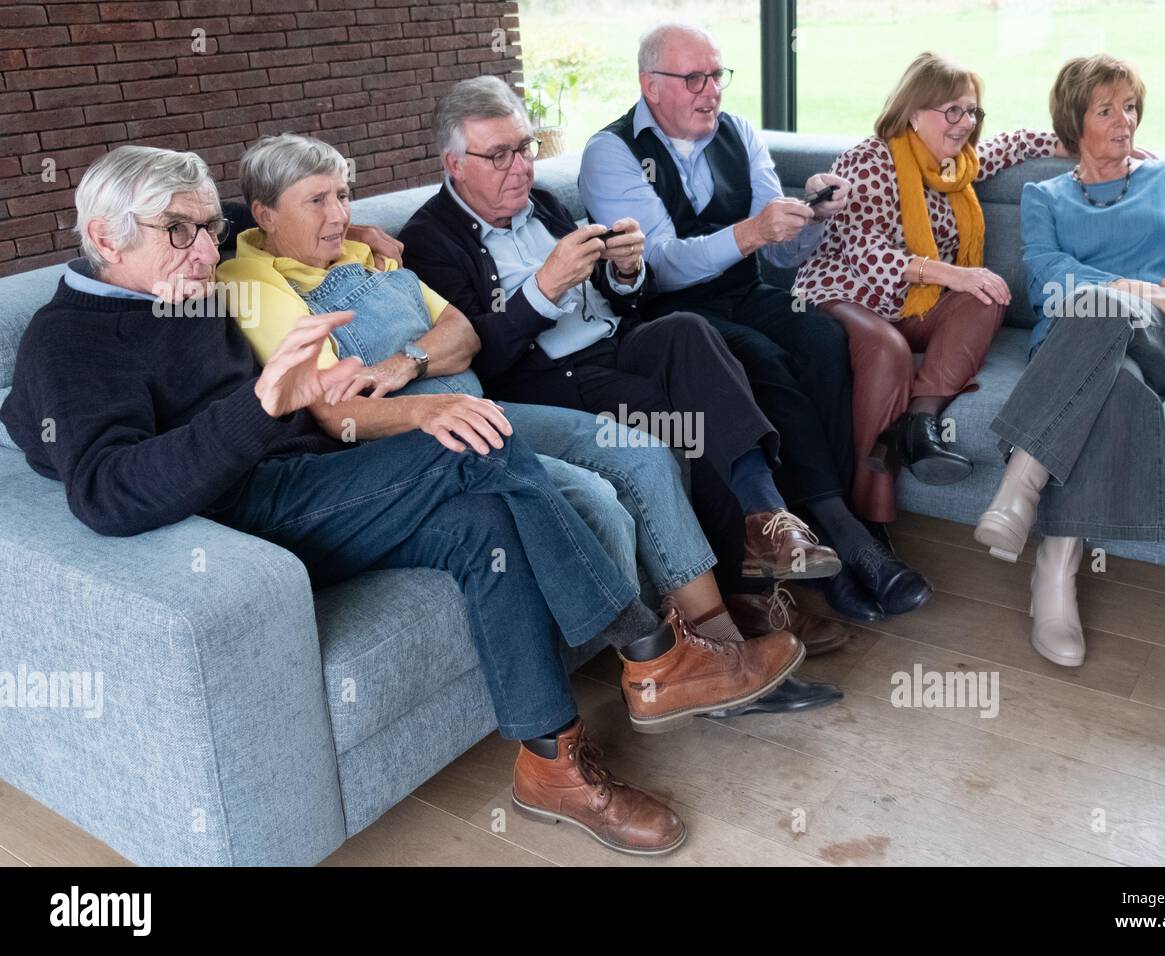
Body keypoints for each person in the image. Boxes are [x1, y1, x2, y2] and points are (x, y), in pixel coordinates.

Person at [0, 145, 812, 856]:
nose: (205, 248)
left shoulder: (181, 284)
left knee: (484, 523)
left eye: (211, 228)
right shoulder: (69, 342)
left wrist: (350, 235)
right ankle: (651, 655)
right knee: (479, 441)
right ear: (104, 237)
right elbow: (106, 496)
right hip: (244, 519)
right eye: (182, 229)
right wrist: (261, 411)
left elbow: (266, 208)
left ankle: (551, 765)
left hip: (304, 477)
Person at [217, 131, 845, 709]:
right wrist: (431, 402)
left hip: (480, 407)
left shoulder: (363, 248)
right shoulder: (254, 280)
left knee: (644, 450)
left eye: (345, 195)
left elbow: (460, 336)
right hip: (420, 440)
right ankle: (666, 668)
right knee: (600, 492)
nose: (339, 214)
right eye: (317, 201)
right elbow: (336, 412)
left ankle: (724, 644)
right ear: (266, 214)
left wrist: (407, 362)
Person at [397, 76, 878, 636]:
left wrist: (625, 271)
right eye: (498, 155)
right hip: (544, 379)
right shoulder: (430, 242)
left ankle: (767, 517)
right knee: (686, 413)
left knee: (687, 330)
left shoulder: (543, 206)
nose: (520, 167)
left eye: (525, 149)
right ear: (454, 164)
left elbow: (621, 300)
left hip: (615, 344)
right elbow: (478, 359)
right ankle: (750, 595)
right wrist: (544, 288)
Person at [581, 23, 932, 618]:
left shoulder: (739, 133)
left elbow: (778, 254)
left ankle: (823, 535)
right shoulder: (610, 153)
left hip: (744, 292)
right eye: (693, 78)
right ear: (651, 85)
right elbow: (661, 264)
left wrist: (811, 215)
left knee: (824, 339)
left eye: (718, 75)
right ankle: (848, 544)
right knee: (762, 361)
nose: (710, 90)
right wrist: (752, 230)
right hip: (671, 316)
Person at [974, 55, 1165, 666]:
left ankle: (1020, 485)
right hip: (1085, 338)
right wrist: (1139, 289)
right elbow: (1050, 282)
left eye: (1130, 106)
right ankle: (1056, 569)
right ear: (1076, 124)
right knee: (1114, 378)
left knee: (1100, 303)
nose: (1124, 121)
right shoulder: (1044, 197)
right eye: (1105, 109)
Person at [793, 52, 1062, 522]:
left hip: (913, 306)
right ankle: (867, 518)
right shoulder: (869, 161)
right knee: (889, 349)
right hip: (843, 296)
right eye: (951, 110)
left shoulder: (958, 167)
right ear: (914, 111)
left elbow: (1017, 143)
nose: (965, 123)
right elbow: (870, 259)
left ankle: (918, 424)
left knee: (989, 293)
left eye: (973, 111)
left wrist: (1093, 144)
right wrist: (954, 274)